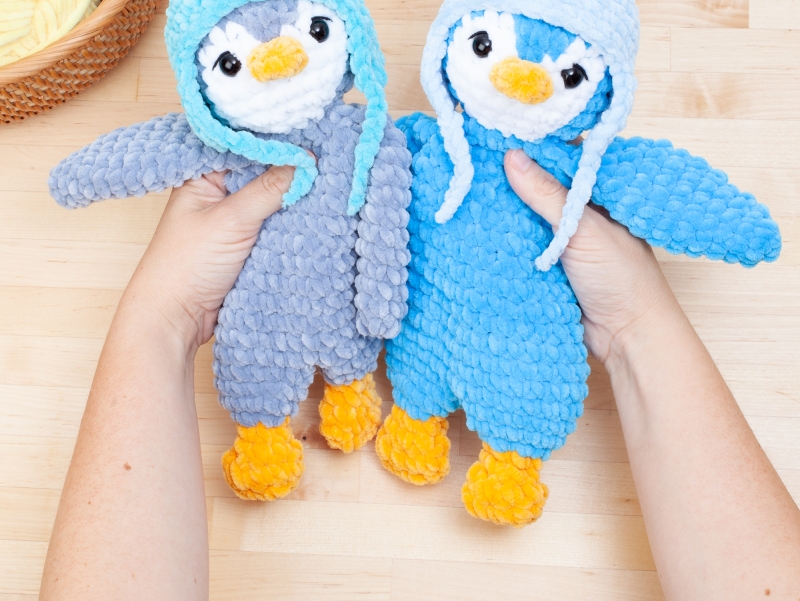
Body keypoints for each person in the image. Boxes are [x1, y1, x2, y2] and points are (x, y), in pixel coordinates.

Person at [40, 155, 800, 600]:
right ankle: (402, 418)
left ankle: (491, 452)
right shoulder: (405, 150)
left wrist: (161, 317)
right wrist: (637, 325)